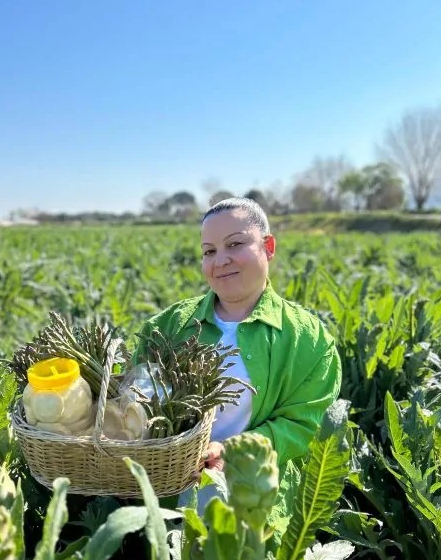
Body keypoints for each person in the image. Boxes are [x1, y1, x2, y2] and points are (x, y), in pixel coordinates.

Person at [134, 197, 342, 535]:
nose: (221, 260)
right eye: (209, 251)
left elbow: (304, 425)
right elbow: (134, 400)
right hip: (166, 507)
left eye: (235, 244)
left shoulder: (309, 339)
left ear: (268, 246)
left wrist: (231, 450)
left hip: (255, 508)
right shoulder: (168, 326)